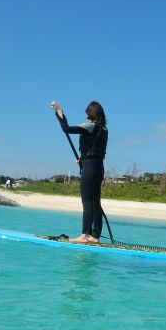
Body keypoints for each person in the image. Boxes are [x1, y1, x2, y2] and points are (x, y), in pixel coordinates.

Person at [50, 100, 108, 244]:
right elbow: (94, 148)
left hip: (90, 167)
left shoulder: (91, 125)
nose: (86, 117)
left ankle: (84, 236)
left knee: (87, 202)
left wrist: (59, 113)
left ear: (91, 114)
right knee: (95, 203)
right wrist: (83, 160)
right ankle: (95, 237)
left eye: (87, 113)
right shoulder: (104, 128)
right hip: (98, 167)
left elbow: (67, 129)